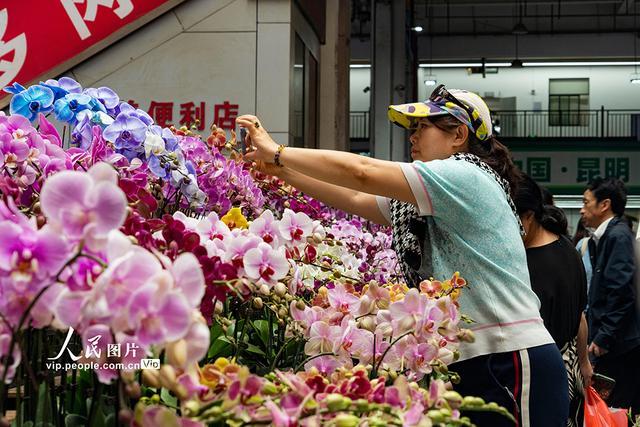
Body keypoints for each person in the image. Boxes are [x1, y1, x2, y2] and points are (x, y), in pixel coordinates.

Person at [238, 84, 568, 426]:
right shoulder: (434, 196)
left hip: (509, 357)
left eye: (423, 127)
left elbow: (361, 172)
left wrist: (279, 152)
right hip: (475, 358)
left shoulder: (466, 176)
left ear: (458, 134)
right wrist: (284, 173)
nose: (413, 137)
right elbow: (354, 198)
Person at [514, 174, 591, 427]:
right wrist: (584, 362)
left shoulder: (529, 263)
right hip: (569, 372)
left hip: (541, 375)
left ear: (528, 216)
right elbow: (580, 316)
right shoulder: (568, 247)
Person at [581, 177, 640, 415]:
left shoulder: (618, 236)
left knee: (618, 409)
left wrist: (604, 336)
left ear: (604, 204)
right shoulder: (604, 236)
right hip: (613, 340)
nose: (582, 209)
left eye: (586, 202)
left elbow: (621, 291)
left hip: (620, 344)